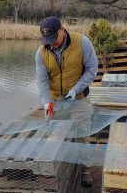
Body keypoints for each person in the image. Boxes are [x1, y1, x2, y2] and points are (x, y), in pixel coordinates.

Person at [35, 16, 98, 187]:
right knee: (53, 134)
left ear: (62, 30)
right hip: (55, 99)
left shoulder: (82, 43)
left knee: (82, 135)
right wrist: (47, 102)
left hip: (78, 98)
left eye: (54, 39)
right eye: (47, 40)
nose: (51, 44)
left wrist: (76, 89)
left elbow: (92, 69)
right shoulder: (41, 52)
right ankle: (56, 171)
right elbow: (41, 81)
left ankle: (85, 170)